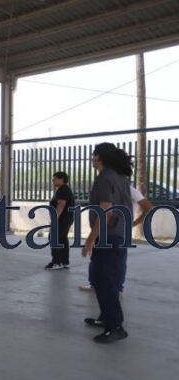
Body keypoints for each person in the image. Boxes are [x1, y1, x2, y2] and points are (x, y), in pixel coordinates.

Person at [82, 143, 132, 343]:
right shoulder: (120, 178)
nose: (92, 158)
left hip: (108, 236)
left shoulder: (105, 178)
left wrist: (90, 239)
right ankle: (106, 318)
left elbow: (106, 212)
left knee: (105, 281)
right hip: (118, 235)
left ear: (99, 158)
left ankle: (115, 326)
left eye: (93, 155)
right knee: (102, 279)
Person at [79, 181, 152, 294]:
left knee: (117, 260)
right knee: (97, 258)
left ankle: (116, 287)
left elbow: (147, 207)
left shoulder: (129, 190)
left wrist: (134, 223)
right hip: (103, 228)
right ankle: (96, 284)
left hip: (117, 230)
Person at [45, 171, 75, 270]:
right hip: (65, 218)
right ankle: (64, 261)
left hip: (62, 219)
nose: (52, 181)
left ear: (61, 179)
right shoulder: (62, 189)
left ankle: (57, 262)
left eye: (54, 179)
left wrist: (54, 219)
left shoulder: (63, 190)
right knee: (62, 239)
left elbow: (61, 205)